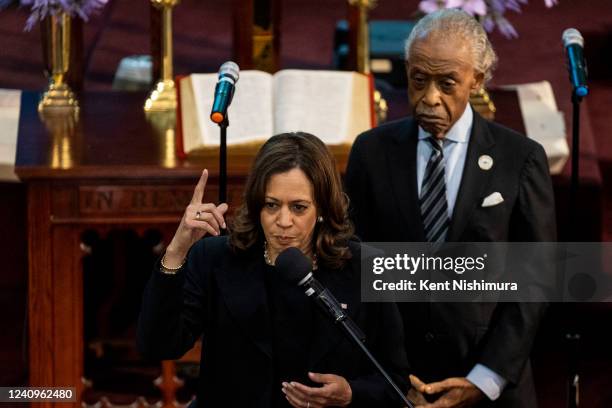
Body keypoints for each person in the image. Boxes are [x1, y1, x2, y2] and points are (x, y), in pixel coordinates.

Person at [345, 9, 556, 408]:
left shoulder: (520, 158)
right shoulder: (371, 153)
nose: (429, 98)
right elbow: (353, 266)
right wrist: (384, 372)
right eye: (418, 80)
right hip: (395, 385)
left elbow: (536, 279)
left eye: (447, 83)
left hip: (491, 388)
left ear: (477, 79)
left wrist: (484, 379)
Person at [138, 132, 410, 407]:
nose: (283, 221)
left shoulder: (366, 267)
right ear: (257, 205)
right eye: (271, 205)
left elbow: (394, 381)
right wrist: (176, 251)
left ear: (323, 209)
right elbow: (157, 345)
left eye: (298, 207)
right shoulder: (215, 258)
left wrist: (351, 393)